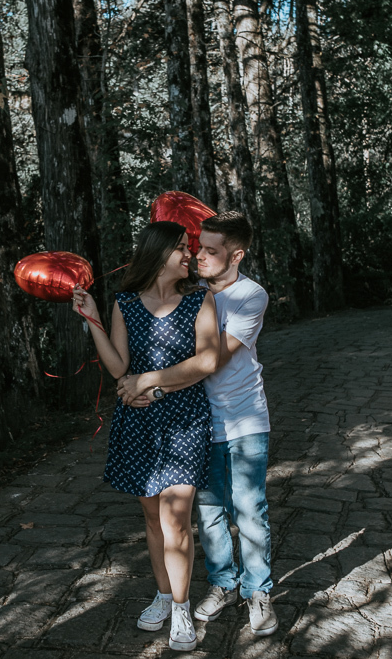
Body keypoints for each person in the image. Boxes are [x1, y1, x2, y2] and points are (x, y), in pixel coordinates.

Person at [117, 211, 276, 637]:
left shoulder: (249, 296)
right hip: (199, 421)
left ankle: (258, 593)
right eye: (196, 248)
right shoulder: (192, 291)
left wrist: (147, 382)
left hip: (242, 419)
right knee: (207, 516)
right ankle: (223, 584)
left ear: (236, 255)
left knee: (248, 511)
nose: (199, 257)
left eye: (210, 250)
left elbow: (210, 362)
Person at [72, 220, 219, 652]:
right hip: (137, 423)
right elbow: (118, 368)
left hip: (185, 420)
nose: (190, 255)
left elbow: (208, 361)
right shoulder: (125, 303)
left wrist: (150, 383)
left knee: (177, 521)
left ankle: (180, 609)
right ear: (158, 254)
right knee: (154, 520)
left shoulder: (200, 300)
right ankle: (161, 593)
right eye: (181, 248)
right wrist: (93, 319)